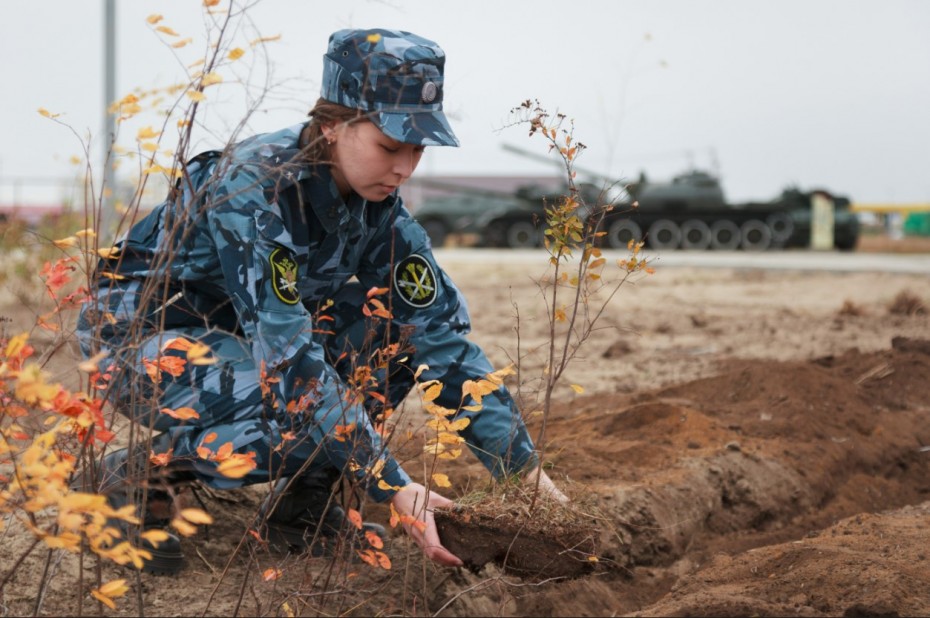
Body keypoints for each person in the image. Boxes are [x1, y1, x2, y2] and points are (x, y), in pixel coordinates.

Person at [76, 28, 565, 575]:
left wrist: (524, 475)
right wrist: (394, 487)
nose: (404, 168)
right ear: (333, 125)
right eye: (389, 146)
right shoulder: (254, 188)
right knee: (293, 407)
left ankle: (300, 512)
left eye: (417, 150)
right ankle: (132, 479)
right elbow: (291, 364)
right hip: (137, 342)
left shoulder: (381, 213)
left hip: (241, 344)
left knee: (394, 343)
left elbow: (442, 342)